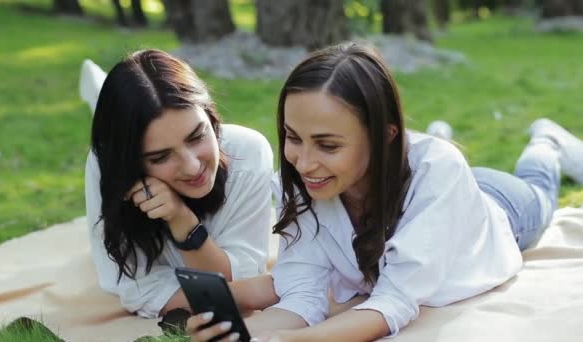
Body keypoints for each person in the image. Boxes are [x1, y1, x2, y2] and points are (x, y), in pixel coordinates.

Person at [186, 43, 583, 341]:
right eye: (293, 138)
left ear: (385, 137)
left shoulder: (437, 170)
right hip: (436, 189)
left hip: (499, 209)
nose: (303, 162)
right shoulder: (308, 183)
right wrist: (243, 335)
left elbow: (393, 304)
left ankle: (547, 143)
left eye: (327, 145)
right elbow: (302, 296)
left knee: (539, 190)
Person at [84, 49, 274, 319]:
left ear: (210, 116)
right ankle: (96, 92)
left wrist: (182, 220)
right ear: (131, 165)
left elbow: (237, 277)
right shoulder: (105, 167)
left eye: (197, 136)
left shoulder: (247, 152)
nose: (193, 166)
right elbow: (135, 289)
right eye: (161, 156)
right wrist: (252, 293)